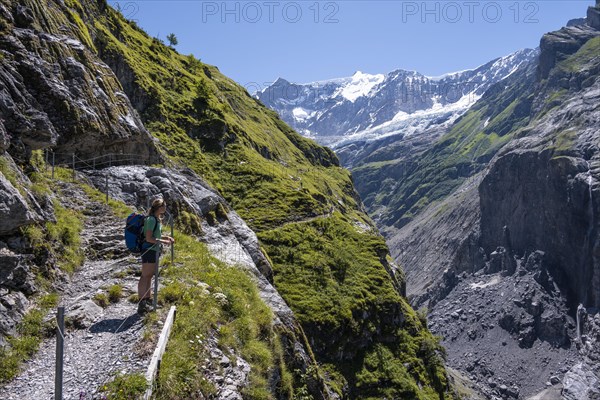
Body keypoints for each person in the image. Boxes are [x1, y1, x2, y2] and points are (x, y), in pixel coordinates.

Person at [138, 198, 174, 314]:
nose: (165, 208)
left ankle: (147, 301)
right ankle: (142, 304)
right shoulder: (151, 220)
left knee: (149, 276)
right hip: (149, 250)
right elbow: (149, 238)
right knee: (145, 276)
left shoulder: (156, 219)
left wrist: (165, 238)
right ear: (159, 207)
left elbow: (154, 236)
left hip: (153, 250)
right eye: (164, 206)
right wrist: (163, 242)